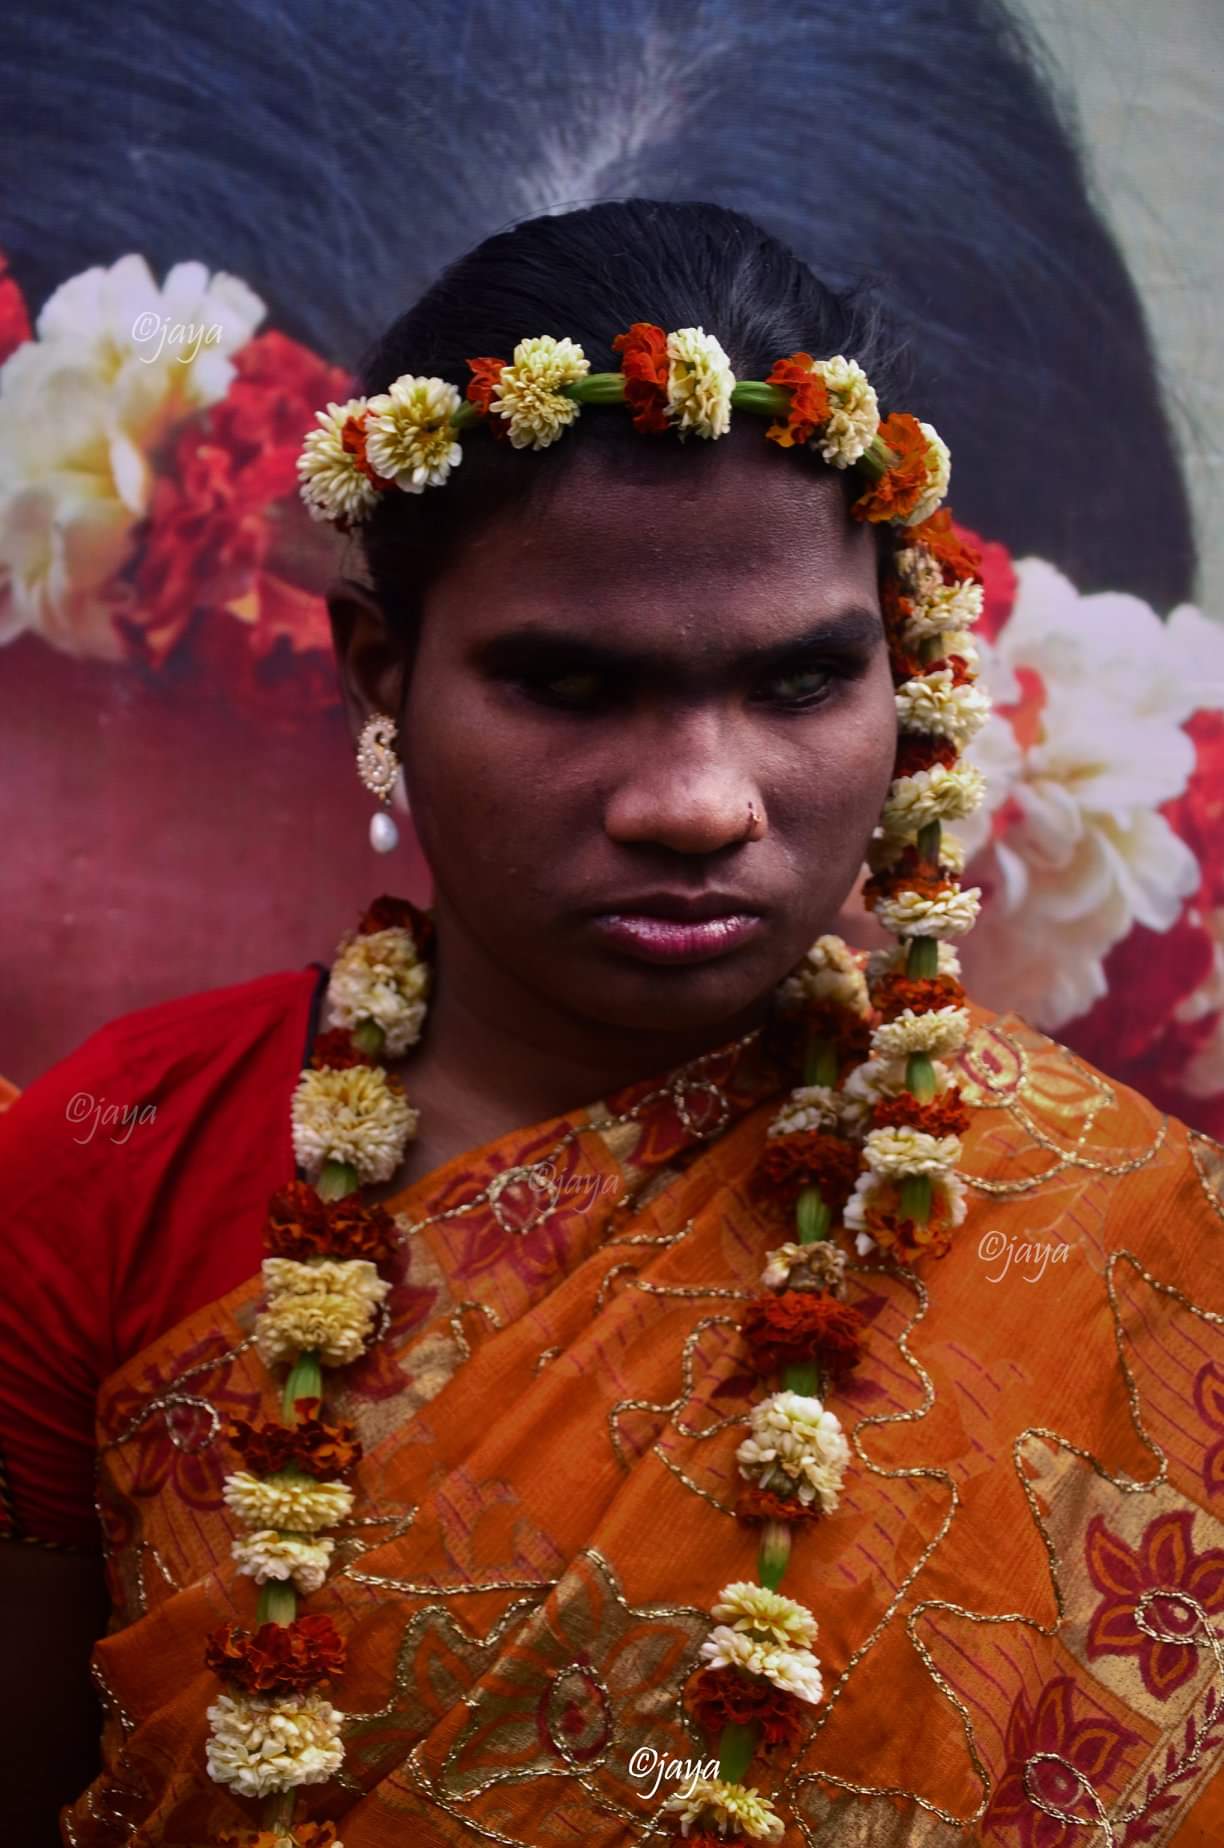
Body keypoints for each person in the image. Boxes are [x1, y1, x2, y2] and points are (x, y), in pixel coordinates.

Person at [1, 199, 1221, 1846]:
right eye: (571, 685)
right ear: (380, 674)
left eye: (800, 682)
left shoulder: (1124, 1236)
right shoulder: (124, 1155)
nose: (700, 803)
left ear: (908, 675)